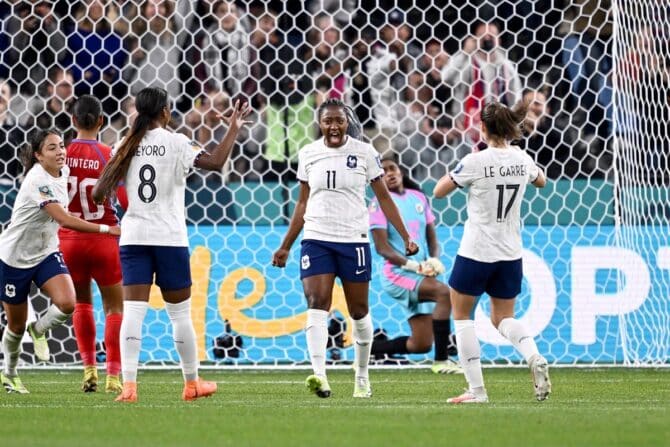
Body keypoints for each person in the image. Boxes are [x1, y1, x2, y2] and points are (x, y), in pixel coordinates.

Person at [92, 87, 251, 403]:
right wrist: (233, 127)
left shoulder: (124, 144)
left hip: (134, 238)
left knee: (133, 314)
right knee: (179, 315)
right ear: (165, 112)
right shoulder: (178, 142)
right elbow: (217, 162)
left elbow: (99, 194)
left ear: (138, 112)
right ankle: (192, 385)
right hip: (169, 238)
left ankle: (129, 388)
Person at [272, 98, 419, 399]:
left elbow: (385, 198)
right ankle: (319, 375)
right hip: (317, 237)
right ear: (320, 124)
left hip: (353, 239)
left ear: (347, 122)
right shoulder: (309, 154)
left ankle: (362, 375)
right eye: (328, 121)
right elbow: (302, 202)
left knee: (359, 311)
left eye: (339, 120)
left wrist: (404, 236)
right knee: (317, 301)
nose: (334, 126)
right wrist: (286, 245)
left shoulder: (365, 153)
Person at [433, 100, 551, 404]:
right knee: (503, 318)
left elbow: (439, 190)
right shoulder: (522, 158)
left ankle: (477, 391)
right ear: (510, 127)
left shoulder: (476, 161)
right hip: (510, 253)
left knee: (461, 316)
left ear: (482, 127)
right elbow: (541, 181)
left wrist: (462, 172)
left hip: (476, 251)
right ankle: (533, 354)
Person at [0, 129, 121, 394]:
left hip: (45, 252)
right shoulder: (36, 181)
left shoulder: (63, 172)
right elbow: (64, 219)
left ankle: (39, 329)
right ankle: (9, 374)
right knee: (16, 326)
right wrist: (106, 230)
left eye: (61, 146)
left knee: (68, 303)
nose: (60, 152)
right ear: (38, 156)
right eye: (52, 148)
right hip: (14, 257)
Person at [369, 156, 462, 374]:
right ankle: (442, 361)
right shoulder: (378, 204)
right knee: (444, 294)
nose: (388, 174)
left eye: (392, 168)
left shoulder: (418, 197)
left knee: (420, 344)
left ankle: (365, 349)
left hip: (421, 273)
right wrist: (413, 266)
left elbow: (431, 238)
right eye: (382, 173)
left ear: (401, 171)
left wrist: (434, 259)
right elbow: (382, 248)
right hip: (397, 274)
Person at [59, 95, 125, 393]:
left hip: (68, 239)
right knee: (114, 307)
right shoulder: (108, 153)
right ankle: (113, 375)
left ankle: (88, 370)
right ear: (101, 121)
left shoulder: (60, 154)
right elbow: (123, 199)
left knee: (82, 303)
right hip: (104, 237)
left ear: (73, 120)